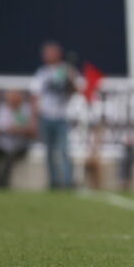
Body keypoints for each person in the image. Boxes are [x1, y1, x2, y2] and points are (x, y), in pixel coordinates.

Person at [30, 41, 79, 189]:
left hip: (61, 117)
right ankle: (53, 183)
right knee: (49, 152)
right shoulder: (42, 73)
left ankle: (67, 181)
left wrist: (69, 78)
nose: (46, 55)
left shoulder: (67, 70)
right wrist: (34, 119)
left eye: (49, 52)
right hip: (45, 117)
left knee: (64, 150)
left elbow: (75, 89)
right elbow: (35, 96)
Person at [0, 89, 33, 189]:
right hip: (3, 141)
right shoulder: (2, 109)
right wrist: (3, 129)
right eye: (9, 99)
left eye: (14, 99)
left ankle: (3, 184)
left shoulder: (25, 110)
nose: (11, 101)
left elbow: (31, 130)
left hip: (19, 143)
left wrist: (17, 130)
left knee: (10, 155)